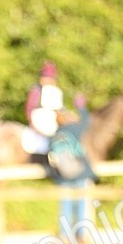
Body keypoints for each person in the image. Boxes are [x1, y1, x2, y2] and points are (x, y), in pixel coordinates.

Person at [48, 94, 96, 234]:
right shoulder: (74, 130)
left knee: (66, 207)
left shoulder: (54, 135)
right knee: (81, 205)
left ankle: (65, 236)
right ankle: (81, 236)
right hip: (79, 174)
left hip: (63, 177)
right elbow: (87, 121)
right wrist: (81, 107)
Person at [23, 62, 64, 157]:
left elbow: (59, 109)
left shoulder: (56, 92)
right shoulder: (36, 91)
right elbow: (29, 108)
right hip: (38, 123)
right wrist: (32, 122)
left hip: (53, 124)